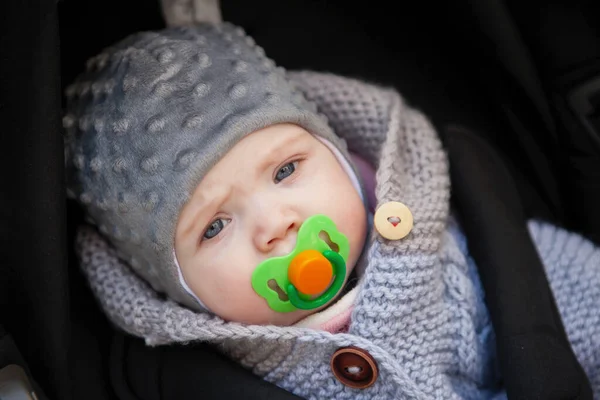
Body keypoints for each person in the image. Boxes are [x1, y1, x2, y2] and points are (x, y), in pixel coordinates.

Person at [64, 22, 600, 399]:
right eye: (215, 226)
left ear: (341, 156)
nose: (276, 226)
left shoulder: (452, 249)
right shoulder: (201, 377)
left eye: (285, 171)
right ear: (179, 291)